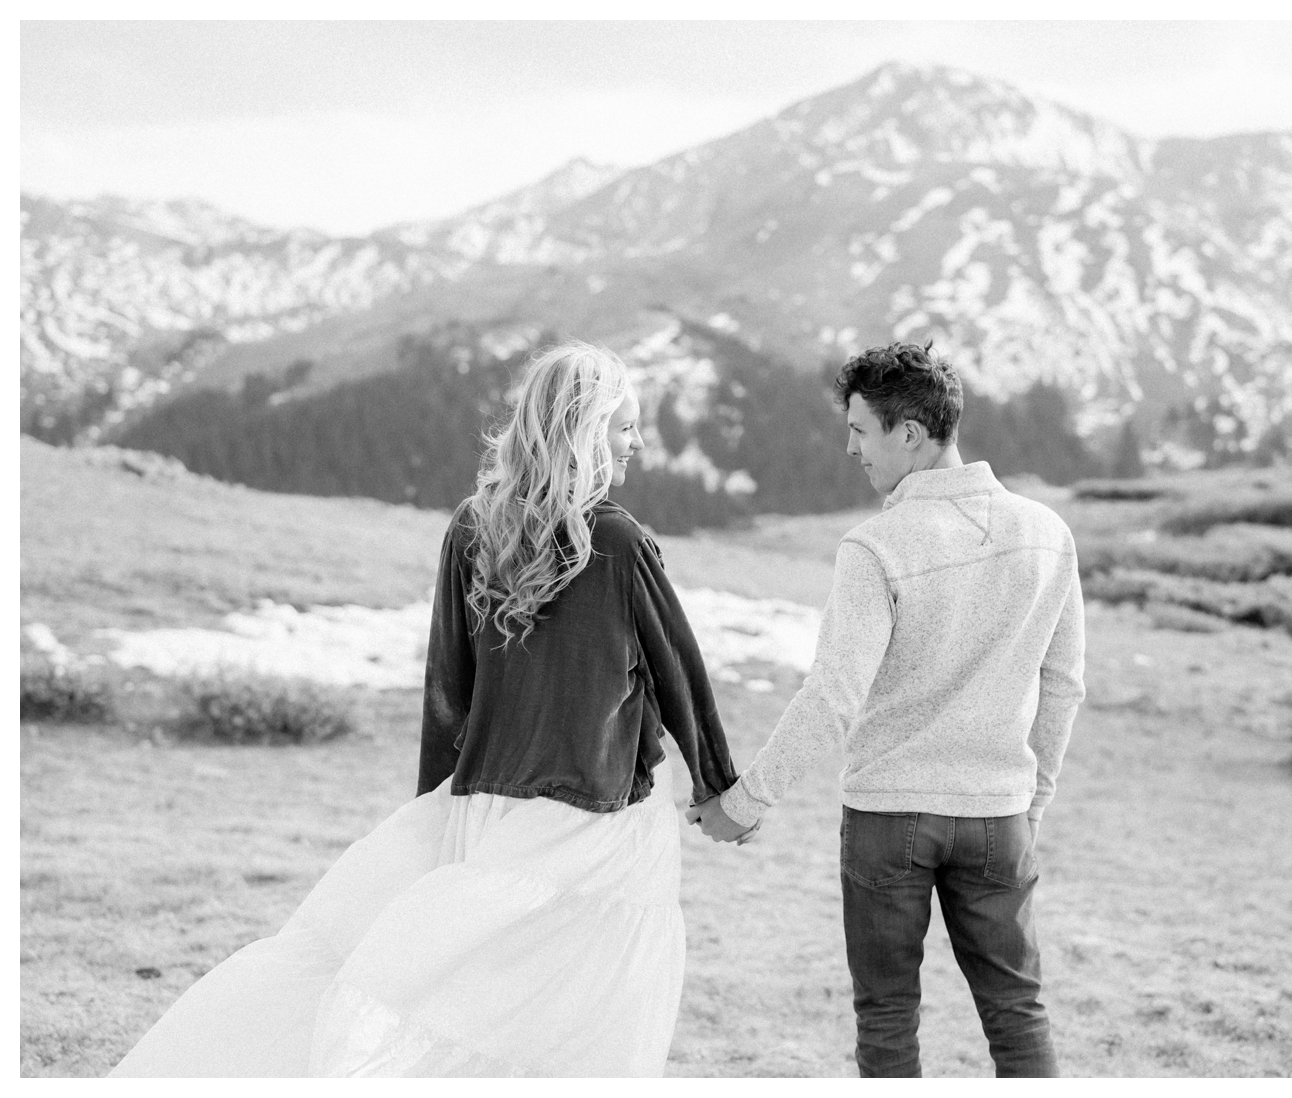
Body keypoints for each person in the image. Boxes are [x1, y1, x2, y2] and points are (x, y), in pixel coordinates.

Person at [111, 340, 744, 1077]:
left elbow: (449, 687)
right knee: (584, 1007)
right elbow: (680, 677)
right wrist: (719, 790)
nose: (637, 442)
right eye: (624, 426)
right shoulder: (620, 540)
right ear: (581, 430)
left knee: (462, 993)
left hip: (486, 808)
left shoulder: (474, 526)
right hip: (600, 821)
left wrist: (438, 805)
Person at [689, 341, 1086, 1078]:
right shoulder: (1047, 534)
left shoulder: (876, 545)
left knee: (887, 1015)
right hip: (998, 815)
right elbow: (1063, 684)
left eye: (861, 431)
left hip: (888, 820)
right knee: (1017, 1011)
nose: (851, 448)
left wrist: (746, 801)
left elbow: (833, 698)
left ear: (910, 434)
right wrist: (1030, 805)